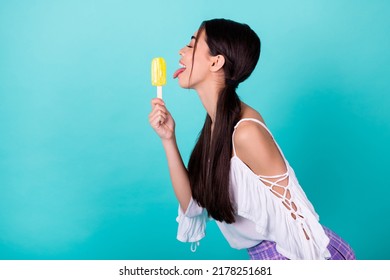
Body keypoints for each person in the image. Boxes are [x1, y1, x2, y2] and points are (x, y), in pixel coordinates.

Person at [148, 18, 355, 260]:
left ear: (216, 61)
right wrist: (168, 139)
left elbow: (298, 219)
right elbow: (193, 205)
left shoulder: (246, 132)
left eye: (192, 45)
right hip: (265, 256)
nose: (181, 51)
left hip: (302, 254)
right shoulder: (216, 128)